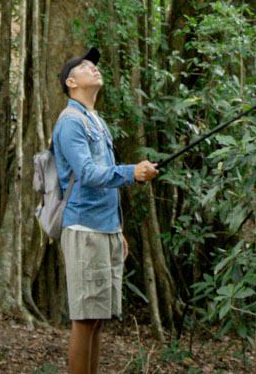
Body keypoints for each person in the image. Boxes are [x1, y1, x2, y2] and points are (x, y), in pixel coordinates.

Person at [54, 47, 158, 374]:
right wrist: (132, 172)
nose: (94, 69)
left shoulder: (95, 120)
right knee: (84, 320)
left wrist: (118, 229)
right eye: (86, 67)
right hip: (84, 229)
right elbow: (86, 174)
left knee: (97, 320)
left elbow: (105, 177)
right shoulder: (70, 122)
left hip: (105, 228)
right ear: (72, 82)